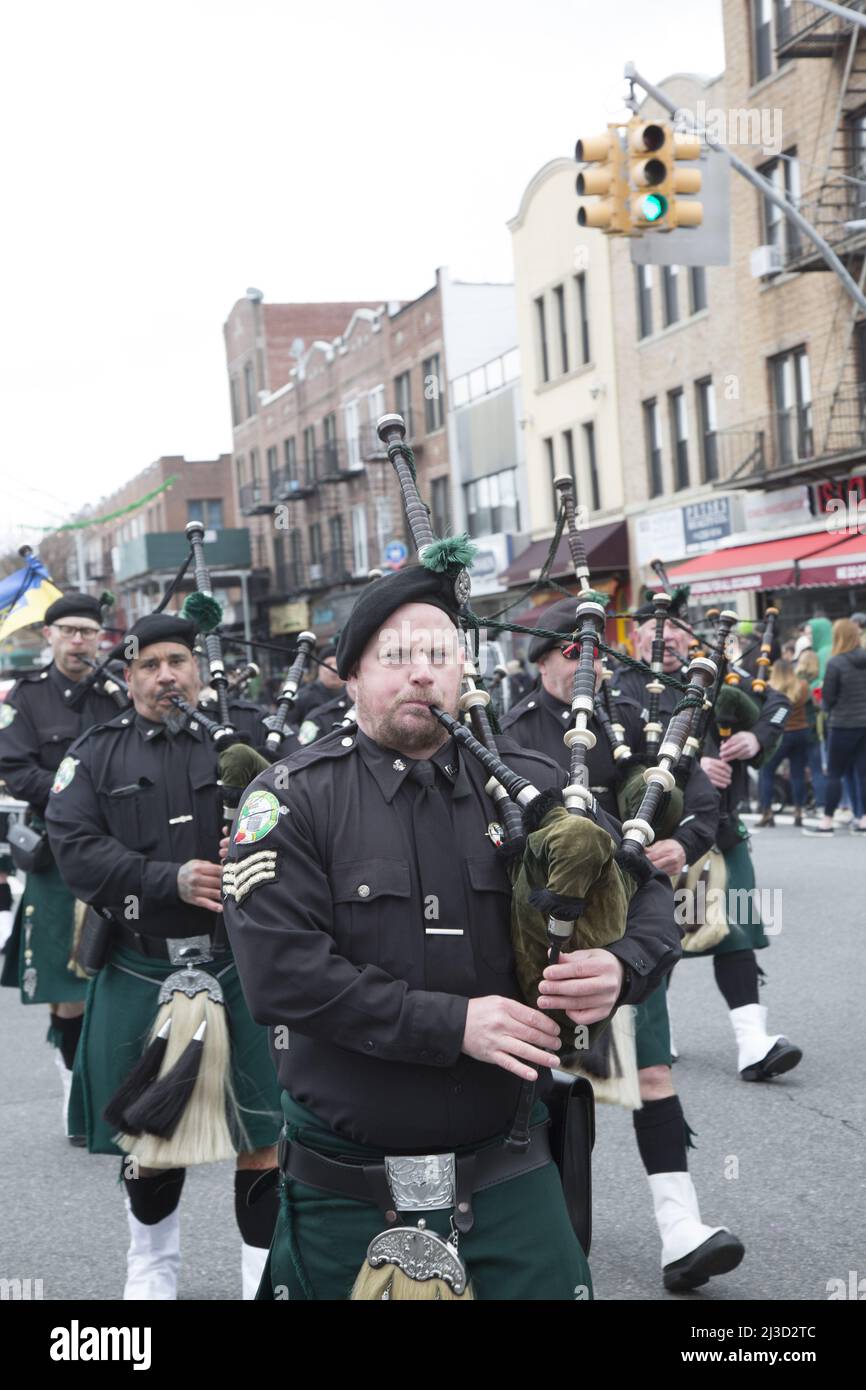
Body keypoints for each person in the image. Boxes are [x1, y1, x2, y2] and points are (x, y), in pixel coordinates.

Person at [223, 566, 682, 1301]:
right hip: (347, 1186)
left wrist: (621, 966)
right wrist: (453, 1023)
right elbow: (282, 975)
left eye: (438, 654)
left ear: (463, 668)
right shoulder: (288, 800)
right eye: (396, 657)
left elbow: (649, 894)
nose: (421, 675)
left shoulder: (534, 793)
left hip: (511, 1174)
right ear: (350, 676)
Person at [502, 597, 744, 1292]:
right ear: (542, 659)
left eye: (597, 657)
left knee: (653, 1075)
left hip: (630, 927)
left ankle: (681, 1230)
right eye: (572, 655)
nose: (588, 667)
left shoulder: (637, 718)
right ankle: (547, 1235)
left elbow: (698, 790)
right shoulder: (515, 733)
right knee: (545, 1085)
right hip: (546, 932)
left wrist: (682, 842)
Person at [45, 613, 281, 1299]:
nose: (165, 675)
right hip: (142, 963)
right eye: (148, 664)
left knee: (260, 1135)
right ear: (127, 675)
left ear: (200, 670)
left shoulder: (245, 744)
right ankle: (151, 1271)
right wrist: (164, 878)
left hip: (239, 964)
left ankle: (259, 1278)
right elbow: (75, 846)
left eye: (177, 660)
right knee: (151, 1144)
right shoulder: (94, 756)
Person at [617, 601, 803, 1085]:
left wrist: (756, 739)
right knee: (664, 936)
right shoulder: (624, 687)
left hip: (720, 830)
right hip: (662, 837)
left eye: (677, 631)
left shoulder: (716, 674)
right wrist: (694, 770)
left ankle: (752, 1042)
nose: (670, 639)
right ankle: (660, 1033)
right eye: (657, 632)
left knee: (734, 928)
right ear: (637, 639)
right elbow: (621, 760)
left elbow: (779, 702)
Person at [0, 592, 122, 1142]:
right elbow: (14, 767)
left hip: (119, 852)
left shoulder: (120, 694)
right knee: (65, 987)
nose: (79, 640)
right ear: (47, 636)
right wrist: (77, 796)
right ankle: (73, 1083)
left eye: (88, 631)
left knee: (119, 975)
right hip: (56, 855)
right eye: (68, 630)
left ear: (101, 637)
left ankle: (117, 1086)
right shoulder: (23, 700)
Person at [802, 618, 866, 836]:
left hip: (842, 724)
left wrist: (820, 698)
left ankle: (827, 822)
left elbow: (827, 699)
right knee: (863, 773)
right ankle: (864, 819)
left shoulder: (836, 662)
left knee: (835, 773)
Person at [757, 660, 810, 827]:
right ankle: (799, 811)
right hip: (800, 732)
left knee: (767, 772)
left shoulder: (768, 687)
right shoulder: (802, 686)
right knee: (798, 774)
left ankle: (767, 812)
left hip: (778, 734)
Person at [292, 644, 345, 724]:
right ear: (319, 669)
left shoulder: (353, 695)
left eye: (338, 664)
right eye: (328, 664)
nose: (334, 668)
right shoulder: (304, 695)